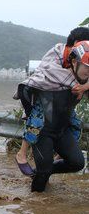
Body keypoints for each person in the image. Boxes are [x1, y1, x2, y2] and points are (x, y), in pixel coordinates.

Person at [15, 40, 89, 192]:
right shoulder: (52, 76)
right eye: (87, 69)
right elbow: (26, 88)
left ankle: (42, 172)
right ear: (74, 61)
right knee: (44, 170)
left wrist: (85, 86)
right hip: (43, 131)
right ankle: (36, 208)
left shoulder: (83, 83)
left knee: (77, 163)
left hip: (62, 130)